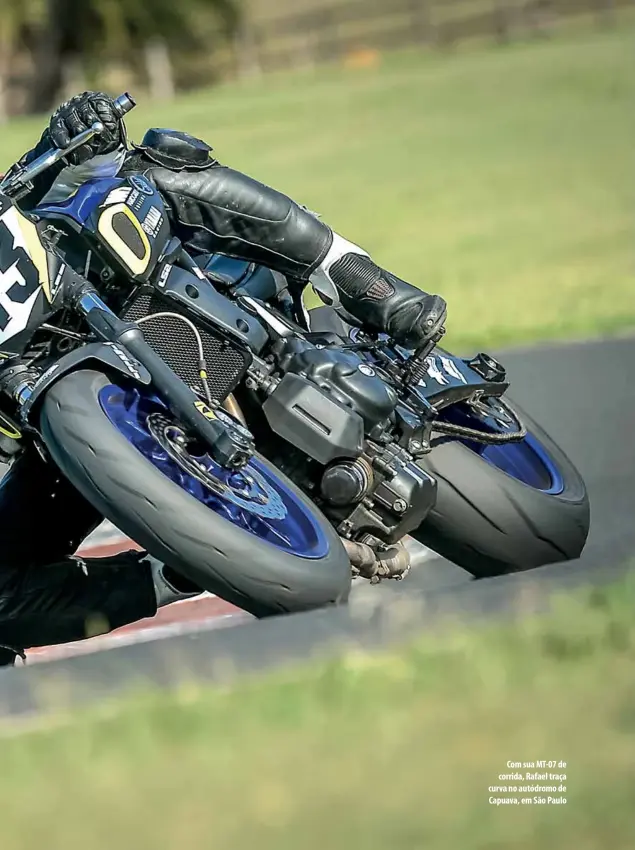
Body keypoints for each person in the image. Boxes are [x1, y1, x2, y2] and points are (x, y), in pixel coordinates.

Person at [0, 91, 448, 667]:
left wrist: (63, 138)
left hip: (90, 304)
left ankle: (362, 280)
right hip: (50, 443)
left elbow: (24, 195)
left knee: (140, 164)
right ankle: (179, 569)